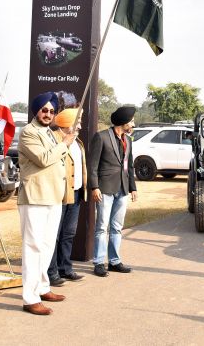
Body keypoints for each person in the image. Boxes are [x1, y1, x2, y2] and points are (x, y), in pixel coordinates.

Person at [18, 92, 74, 316]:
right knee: (32, 247)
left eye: (52, 111)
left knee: (47, 245)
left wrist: (64, 140)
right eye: (44, 110)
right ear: (36, 110)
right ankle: (29, 298)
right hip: (35, 197)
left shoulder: (50, 133)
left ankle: (42, 287)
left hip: (53, 196)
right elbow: (43, 158)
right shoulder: (28, 132)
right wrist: (65, 144)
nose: (48, 114)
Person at [88, 105, 138, 277]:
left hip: (122, 188)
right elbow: (92, 165)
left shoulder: (128, 140)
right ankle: (99, 262)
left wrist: (132, 187)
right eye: (131, 121)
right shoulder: (101, 137)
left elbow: (129, 165)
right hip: (104, 189)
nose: (133, 124)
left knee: (117, 227)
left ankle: (114, 261)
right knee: (102, 227)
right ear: (123, 122)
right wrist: (94, 187)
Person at [47, 108, 87, 287]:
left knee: (68, 234)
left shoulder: (77, 141)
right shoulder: (54, 140)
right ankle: (51, 272)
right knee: (54, 235)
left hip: (76, 193)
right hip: (60, 194)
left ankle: (65, 268)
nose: (80, 125)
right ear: (66, 123)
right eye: (77, 122)